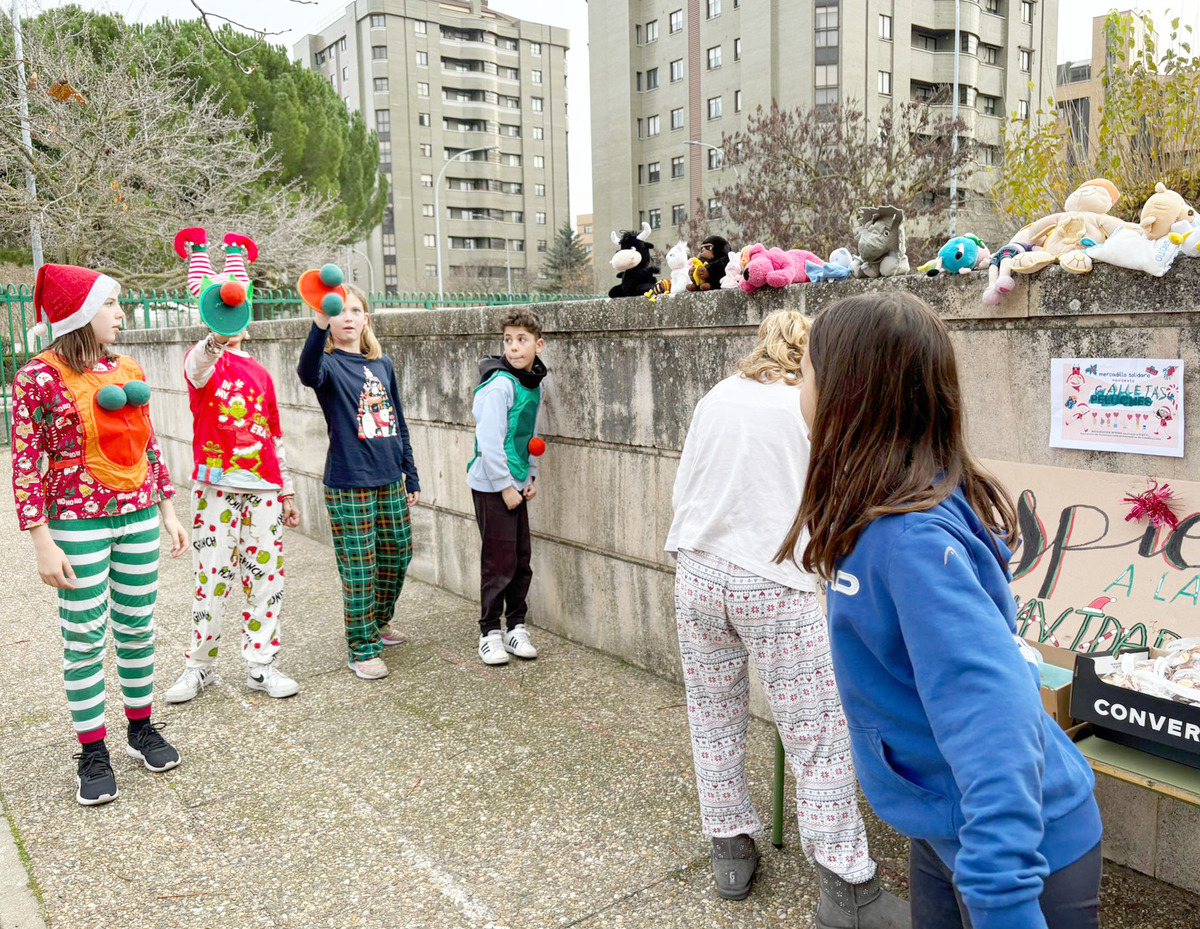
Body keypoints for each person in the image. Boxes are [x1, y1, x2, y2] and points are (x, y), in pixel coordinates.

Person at [781, 292, 1102, 929]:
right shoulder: (893, 510)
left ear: (851, 394)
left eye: (807, 370)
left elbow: (996, 719)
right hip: (945, 821)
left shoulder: (910, 543)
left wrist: (1002, 898)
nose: (799, 386)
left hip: (1012, 851)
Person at [665, 311, 908, 928]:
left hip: (697, 571)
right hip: (773, 583)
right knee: (818, 737)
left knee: (713, 717)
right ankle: (847, 889)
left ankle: (729, 845)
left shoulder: (718, 395)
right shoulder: (806, 409)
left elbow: (686, 485)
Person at [11, 263, 188, 806]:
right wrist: (42, 538)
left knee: (138, 626)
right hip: (75, 526)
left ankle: (140, 728)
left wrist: (167, 510)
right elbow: (26, 462)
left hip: (137, 515)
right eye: (111, 304)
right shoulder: (36, 378)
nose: (121, 314)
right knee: (85, 640)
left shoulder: (125, 366)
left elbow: (146, 441)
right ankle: (92, 750)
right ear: (82, 314)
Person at [163, 228, 301, 704]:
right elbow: (197, 366)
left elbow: (273, 435)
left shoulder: (262, 372)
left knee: (267, 579)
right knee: (211, 578)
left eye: (236, 316)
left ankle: (261, 664)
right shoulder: (202, 360)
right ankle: (199, 666)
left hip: (263, 489)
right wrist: (213, 337)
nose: (231, 323)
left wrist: (285, 493)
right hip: (216, 489)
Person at [297, 284, 419, 680]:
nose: (347, 317)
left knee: (398, 554)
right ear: (328, 320)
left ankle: (378, 623)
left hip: (388, 477)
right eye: (338, 311)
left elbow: (397, 420)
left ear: (366, 317)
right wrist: (317, 323)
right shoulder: (328, 365)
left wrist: (410, 471)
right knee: (360, 567)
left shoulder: (382, 365)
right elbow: (306, 371)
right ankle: (361, 645)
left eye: (355, 310)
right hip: (349, 481)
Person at [466, 308, 548, 665]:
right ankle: (490, 632)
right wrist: (504, 487)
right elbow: (489, 441)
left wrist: (528, 476)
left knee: (521, 560)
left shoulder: (532, 383)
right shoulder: (499, 384)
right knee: (498, 561)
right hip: (491, 484)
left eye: (522, 340)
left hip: (515, 481)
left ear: (538, 345)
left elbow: (526, 436)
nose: (514, 348)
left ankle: (516, 626)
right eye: (508, 340)